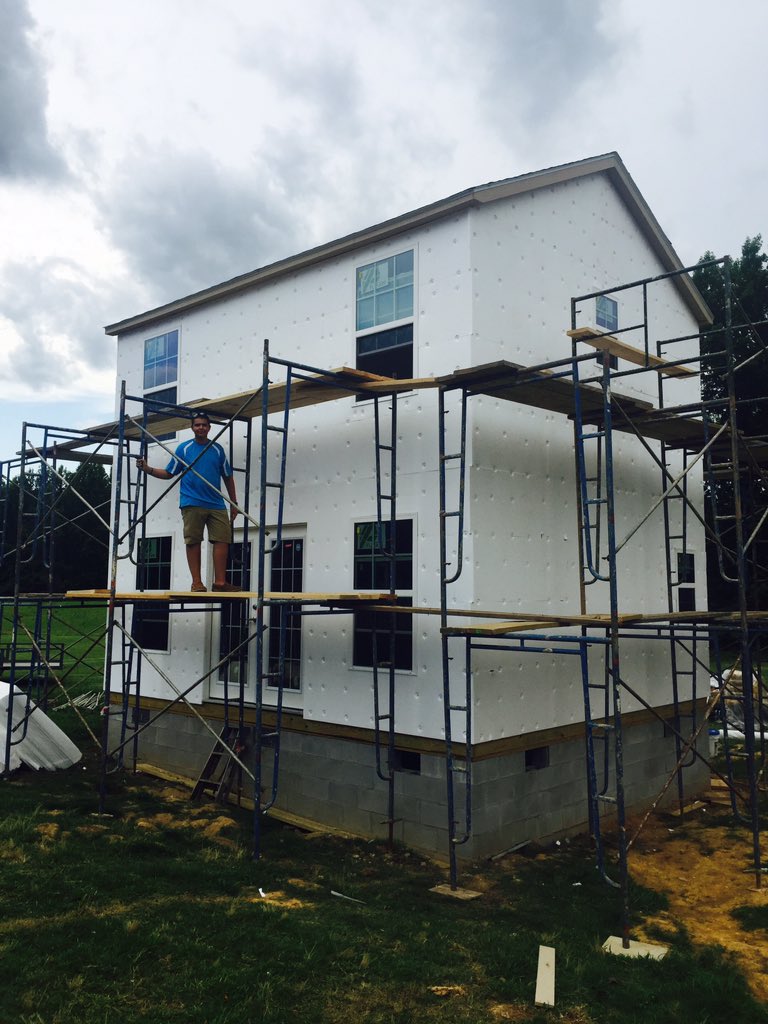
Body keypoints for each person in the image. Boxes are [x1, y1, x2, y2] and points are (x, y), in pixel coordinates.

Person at [136, 413, 240, 592]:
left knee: (223, 539)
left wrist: (234, 502)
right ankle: (197, 582)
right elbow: (169, 473)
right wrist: (148, 469)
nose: (201, 428)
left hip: (216, 502)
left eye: (204, 425)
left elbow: (228, 476)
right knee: (194, 540)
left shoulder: (217, 449)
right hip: (192, 502)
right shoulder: (184, 449)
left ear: (209, 427)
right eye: (197, 425)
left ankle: (220, 582)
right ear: (192, 428)